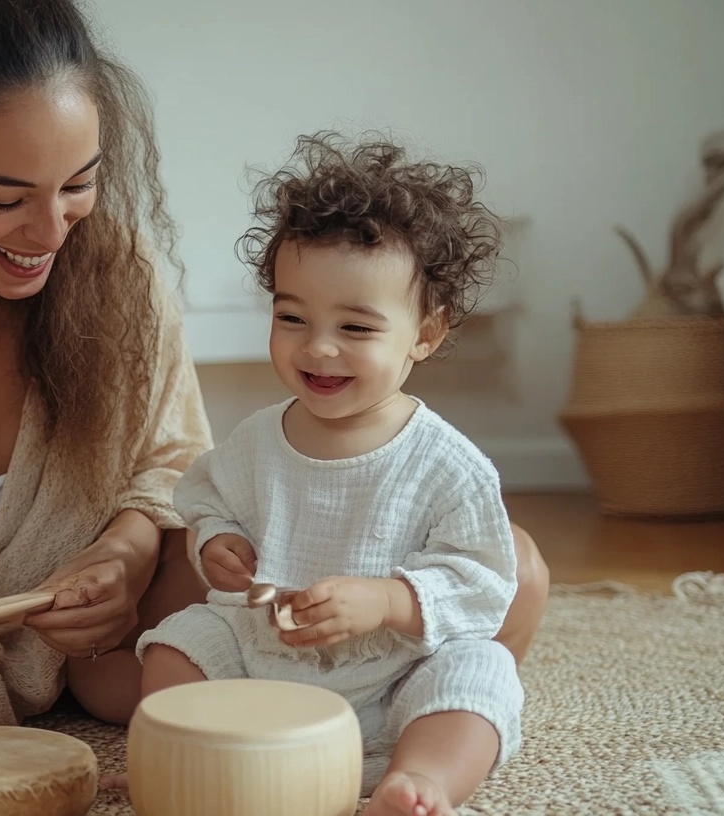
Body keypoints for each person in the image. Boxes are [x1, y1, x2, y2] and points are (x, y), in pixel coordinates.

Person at [0, 0, 550, 794]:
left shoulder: (113, 270)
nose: (50, 231)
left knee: (507, 568)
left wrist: (120, 554)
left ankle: (394, 711)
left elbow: (169, 464)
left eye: (80, 184)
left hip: (67, 642)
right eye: (5, 199)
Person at [117, 133, 528, 816]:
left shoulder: (445, 463)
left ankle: (418, 782)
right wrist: (217, 542)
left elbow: (482, 582)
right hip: (264, 670)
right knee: (180, 641)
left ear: (425, 334)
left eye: (357, 328)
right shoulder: (256, 440)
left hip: (398, 677)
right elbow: (205, 499)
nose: (319, 346)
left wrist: (391, 601)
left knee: (483, 671)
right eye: (292, 317)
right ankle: (193, 755)